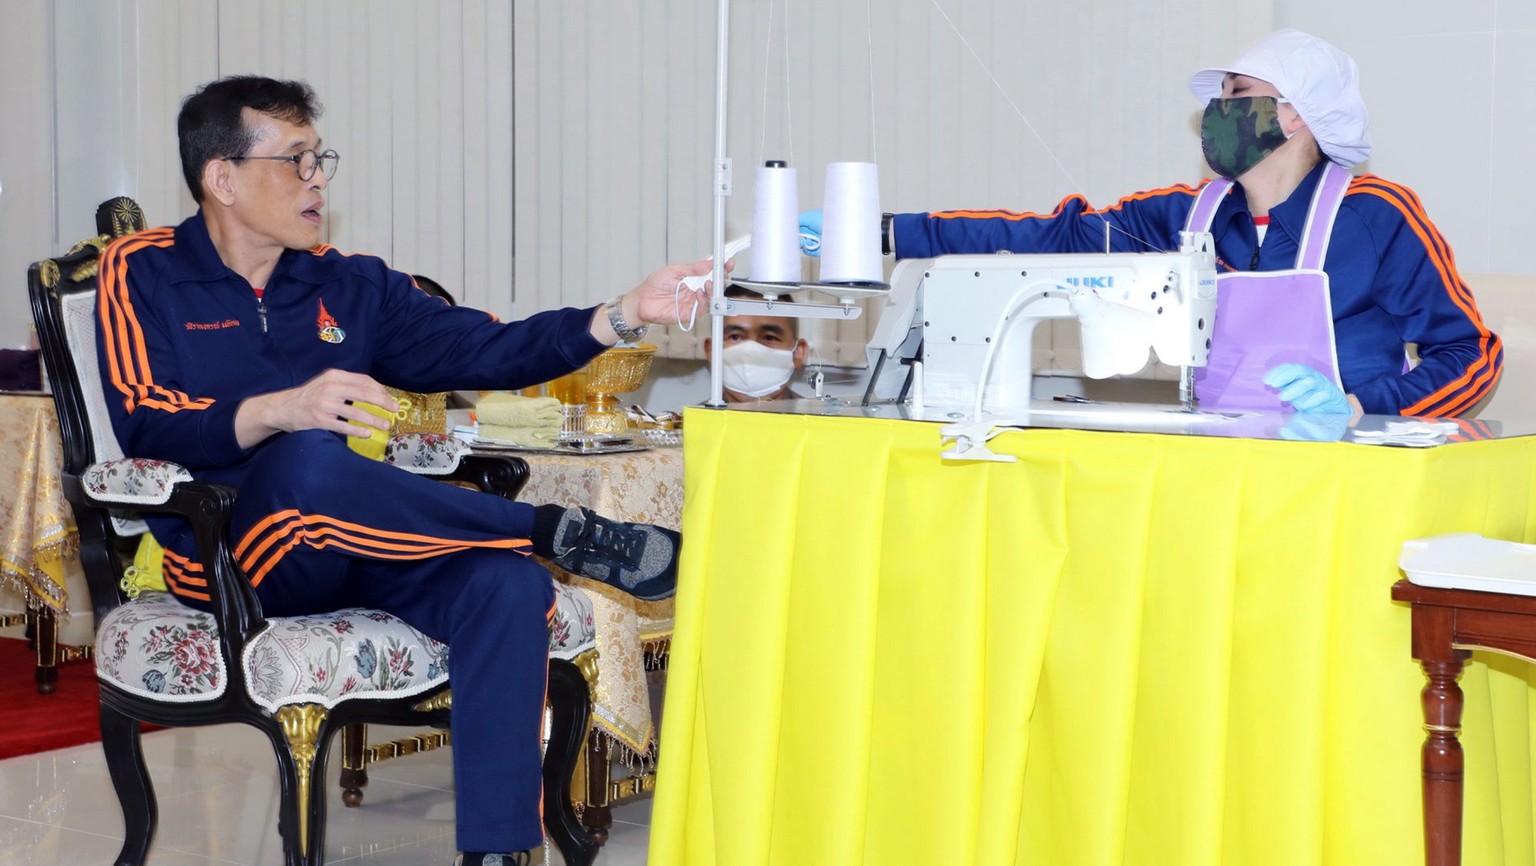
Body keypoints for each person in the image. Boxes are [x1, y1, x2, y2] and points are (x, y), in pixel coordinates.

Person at [95, 75, 712, 866]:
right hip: (228, 552)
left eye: (322, 158)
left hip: (355, 537)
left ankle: (497, 851)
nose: (318, 177)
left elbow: (488, 348)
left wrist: (622, 313)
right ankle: (549, 530)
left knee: (508, 587)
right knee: (308, 457)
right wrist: (283, 409)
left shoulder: (348, 282)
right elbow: (146, 417)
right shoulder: (143, 271)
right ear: (223, 177)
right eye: (295, 160)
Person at [800, 30, 1502, 418]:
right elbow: (1049, 236)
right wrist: (881, 233)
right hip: (1221, 460)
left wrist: (1357, 405)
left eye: (1237, 96)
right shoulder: (1181, 215)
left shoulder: (1378, 216)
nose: (1217, 112)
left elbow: (1472, 357)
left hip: (1349, 475)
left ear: (1295, 116)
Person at [703, 284, 811, 403]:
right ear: (711, 351)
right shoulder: (691, 421)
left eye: (769, 337)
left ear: (798, 353)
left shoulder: (818, 421)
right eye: (735, 337)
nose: (750, 351)